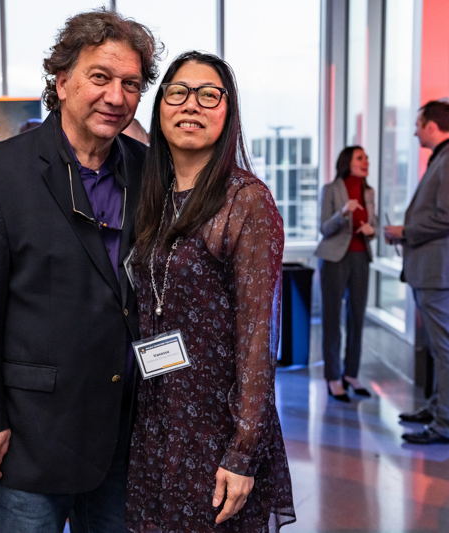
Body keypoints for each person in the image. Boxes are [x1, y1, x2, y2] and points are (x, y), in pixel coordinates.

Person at [0, 9, 159, 532]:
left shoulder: (148, 170)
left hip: (123, 432)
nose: (116, 96)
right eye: (100, 78)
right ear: (61, 82)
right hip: (30, 437)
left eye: (131, 84)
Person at [126, 51, 295, 532]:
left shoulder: (246, 201)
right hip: (156, 420)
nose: (190, 106)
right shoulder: (153, 198)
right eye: (177, 93)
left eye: (208, 95)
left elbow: (259, 339)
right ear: (159, 110)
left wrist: (242, 451)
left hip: (216, 429)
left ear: (228, 110)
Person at [384, 100, 449, 445]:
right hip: (435, 272)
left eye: (418, 124)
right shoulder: (445, 159)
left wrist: (404, 231)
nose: (414, 130)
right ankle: (438, 409)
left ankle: (446, 425)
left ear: (432, 126)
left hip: (443, 273)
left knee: (447, 348)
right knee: (440, 349)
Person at [314, 146, 377, 402]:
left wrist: (371, 230)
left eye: (366, 158)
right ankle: (333, 377)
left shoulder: (369, 192)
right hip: (334, 258)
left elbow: (375, 228)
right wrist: (343, 214)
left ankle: (351, 374)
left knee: (357, 318)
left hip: (361, 257)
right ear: (347, 163)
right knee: (332, 319)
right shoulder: (331, 189)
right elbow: (324, 228)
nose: (366, 162)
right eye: (360, 158)